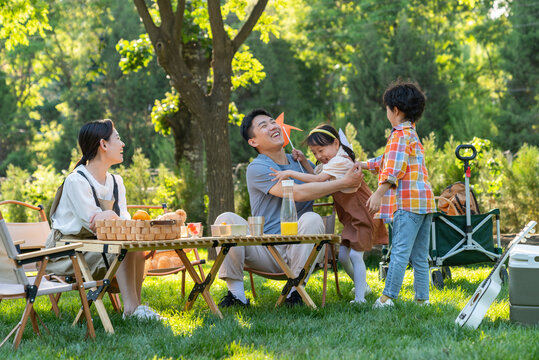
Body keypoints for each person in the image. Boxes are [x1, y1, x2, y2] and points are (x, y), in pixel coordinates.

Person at [216, 109, 364, 307]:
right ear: (253, 142)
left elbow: (326, 180)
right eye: (264, 126)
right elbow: (296, 193)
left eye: (272, 122)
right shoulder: (258, 168)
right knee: (226, 218)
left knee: (312, 219)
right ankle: (236, 296)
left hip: (302, 249)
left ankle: (295, 294)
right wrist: (342, 182)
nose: (273, 126)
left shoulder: (302, 163)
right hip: (265, 250)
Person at [45, 119, 163, 320]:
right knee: (122, 244)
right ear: (103, 144)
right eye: (118, 138)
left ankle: (136, 308)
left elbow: (120, 223)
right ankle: (132, 310)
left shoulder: (116, 181)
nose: (123, 143)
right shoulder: (76, 180)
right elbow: (94, 225)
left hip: (98, 247)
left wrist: (109, 217)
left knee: (133, 242)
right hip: (68, 252)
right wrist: (109, 218)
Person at [270, 124, 388, 304]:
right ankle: (362, 286)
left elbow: (318, 180)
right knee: (343, 256)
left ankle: (360, 299)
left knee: (356, 256)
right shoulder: (331, 162)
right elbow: (318, 177)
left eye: (321, 150)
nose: (318, 156)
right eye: (314, 153)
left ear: (335, 143)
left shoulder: (341, 161)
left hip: (364, 213)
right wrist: (303, 161)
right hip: (351, 217)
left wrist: (290, 172)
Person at [360, 80, 436, 308]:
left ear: (395, 110)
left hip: (407, 203)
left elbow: (393, 169)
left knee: (400, 252)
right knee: (420, 256)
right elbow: (387, 162)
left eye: (386, 108)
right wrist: (361, 164)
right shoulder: (411, 134)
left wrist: (378, 193)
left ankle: (387, 297)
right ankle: (422, 299)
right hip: (425, 202)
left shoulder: (397, 136)